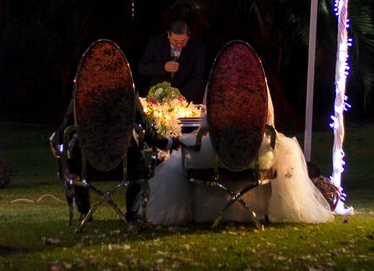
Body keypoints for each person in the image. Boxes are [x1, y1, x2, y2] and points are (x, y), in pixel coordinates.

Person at [144, 92, 334, 225]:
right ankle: (261, 211)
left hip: (218, 155)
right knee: (285, 151)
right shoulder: (258, 83)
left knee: (183, 156)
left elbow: (206, 121)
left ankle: (200, 212)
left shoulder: (218, 81)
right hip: (254, 156)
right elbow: (268, 121)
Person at [57, 94, 181, 222]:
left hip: (87, 167)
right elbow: (144, 127)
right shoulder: (127, 93)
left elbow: (66, 126)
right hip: (125, 167)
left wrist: (56, 142)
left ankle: (84, 211)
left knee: (75, 162)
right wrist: (166, 142)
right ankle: (132, 212)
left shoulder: (82, 94)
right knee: (138, 162)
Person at [138, 20, 205, 103]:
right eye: (175, 41)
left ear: (188, 36)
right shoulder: (156, 43)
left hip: (184, 97)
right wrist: (163, 67)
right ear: (168, 35)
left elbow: (197, 78)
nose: (179, 45)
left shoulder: (197, 48)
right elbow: (142, 67)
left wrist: (180, 97)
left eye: (183, 41)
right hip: (158, 96)